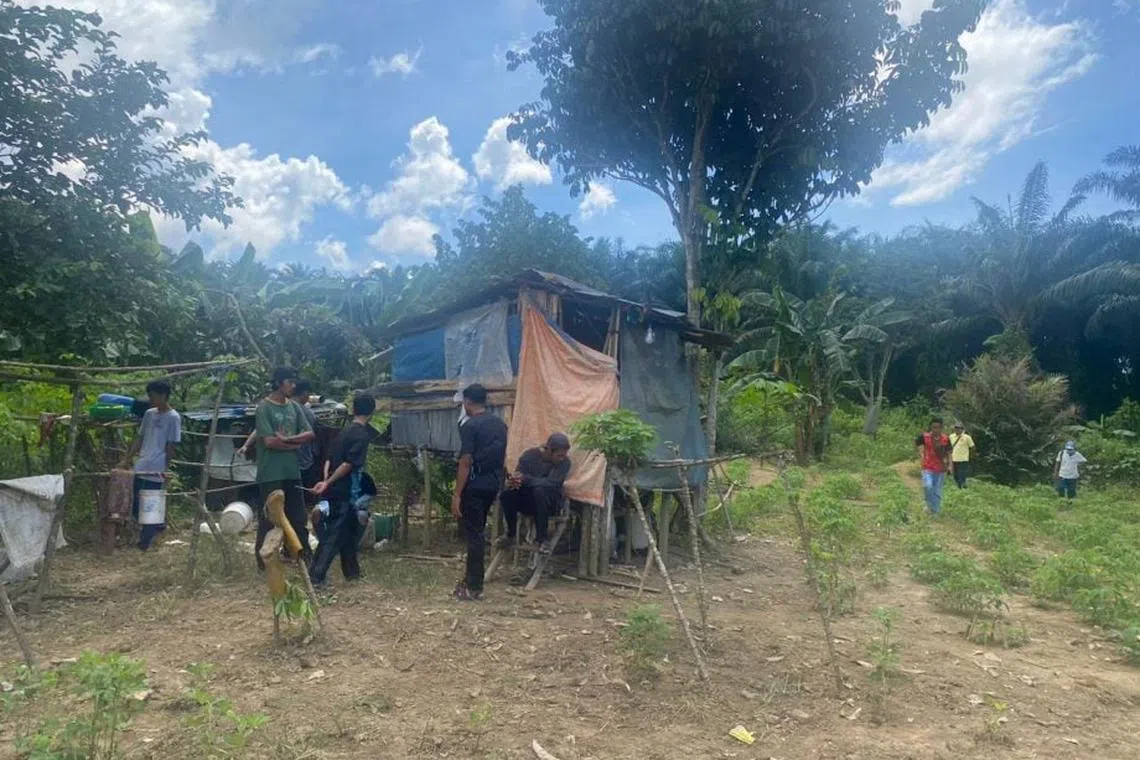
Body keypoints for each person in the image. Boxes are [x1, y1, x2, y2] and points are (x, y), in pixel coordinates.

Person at [309, 394, 377, 586]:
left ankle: (352, 572)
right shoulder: (361, 435)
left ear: (353, 409)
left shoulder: (343, 432)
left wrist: (326, 481)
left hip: (335, 488)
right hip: (345, 490)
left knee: (349, 532)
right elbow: (348, 464)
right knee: (333, 536)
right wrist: (329, 482)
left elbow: (328, 459)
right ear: (372, 412)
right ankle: (316, 577)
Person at [252, 367, 315, 568]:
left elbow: (309, 434)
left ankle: (304, 557)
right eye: (290, 382)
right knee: (269, 518)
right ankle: (264, 562)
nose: (293, 386)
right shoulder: (264, 408)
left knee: (298, 516)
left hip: (292, 471)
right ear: (279, 383)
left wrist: (287, 440)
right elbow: (269, 442)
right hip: (270, 473)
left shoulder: (294, 407)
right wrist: (294, 444)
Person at [451, 383, 508, 602]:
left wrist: (457, 494)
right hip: (492, 485)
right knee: (479, 530)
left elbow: (465, 461)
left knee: (474, 535)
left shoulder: (470, 426)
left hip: (474, 486)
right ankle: (471, 581)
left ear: (467, 402)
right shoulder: (500, 425)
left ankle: (474, 586)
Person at [120, 380, 181, 550]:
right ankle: (154, 528)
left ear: (163, 395)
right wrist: (127, 459)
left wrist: (166, 468)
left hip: (157, 466)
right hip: (142, 464)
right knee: (135, 502)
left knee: (151, 505)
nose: (150, 399)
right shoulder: (149, 414)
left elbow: (171, 445)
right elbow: (140, 438)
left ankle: (145, 542)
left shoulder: (173, 417)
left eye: (153, 396)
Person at [499, 433, 572, 553]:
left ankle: (542, 539)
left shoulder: (565, 463)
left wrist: (527, 480)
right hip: (529, 501)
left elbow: (552, 484)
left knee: (540, 491)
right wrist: (517, 481)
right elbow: (519, 477)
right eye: (559, 455)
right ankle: (510, 534)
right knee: (507, 494)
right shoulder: (529, 456)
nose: (561, 458)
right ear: (549, 450)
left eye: (563, 455)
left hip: (550, 504)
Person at [915, 417, 951, 515]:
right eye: (934, 427)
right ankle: (929, 504)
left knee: (937, 490)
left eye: (938, 427)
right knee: (928, 486)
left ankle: (935, 511)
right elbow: (917, 444)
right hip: (927, 467)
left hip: (941, 469)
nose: (936, 430)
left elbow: (949, 453)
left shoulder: (946, 439)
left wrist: (950, 466)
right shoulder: (924, 437)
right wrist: (921, 455)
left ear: (941, 428)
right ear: (931, 427)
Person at [949, 422, 976, 489]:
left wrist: (971, 456)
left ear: (962, 429)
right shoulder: (951, 436)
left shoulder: (967, 437)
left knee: (961, 474)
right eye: (956, 428)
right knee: (955, 474)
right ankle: (962, 485)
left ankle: (961, 486)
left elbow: (972, 447)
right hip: (954, 459)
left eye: (959, 428)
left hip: (963, 459)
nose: (957, 429)